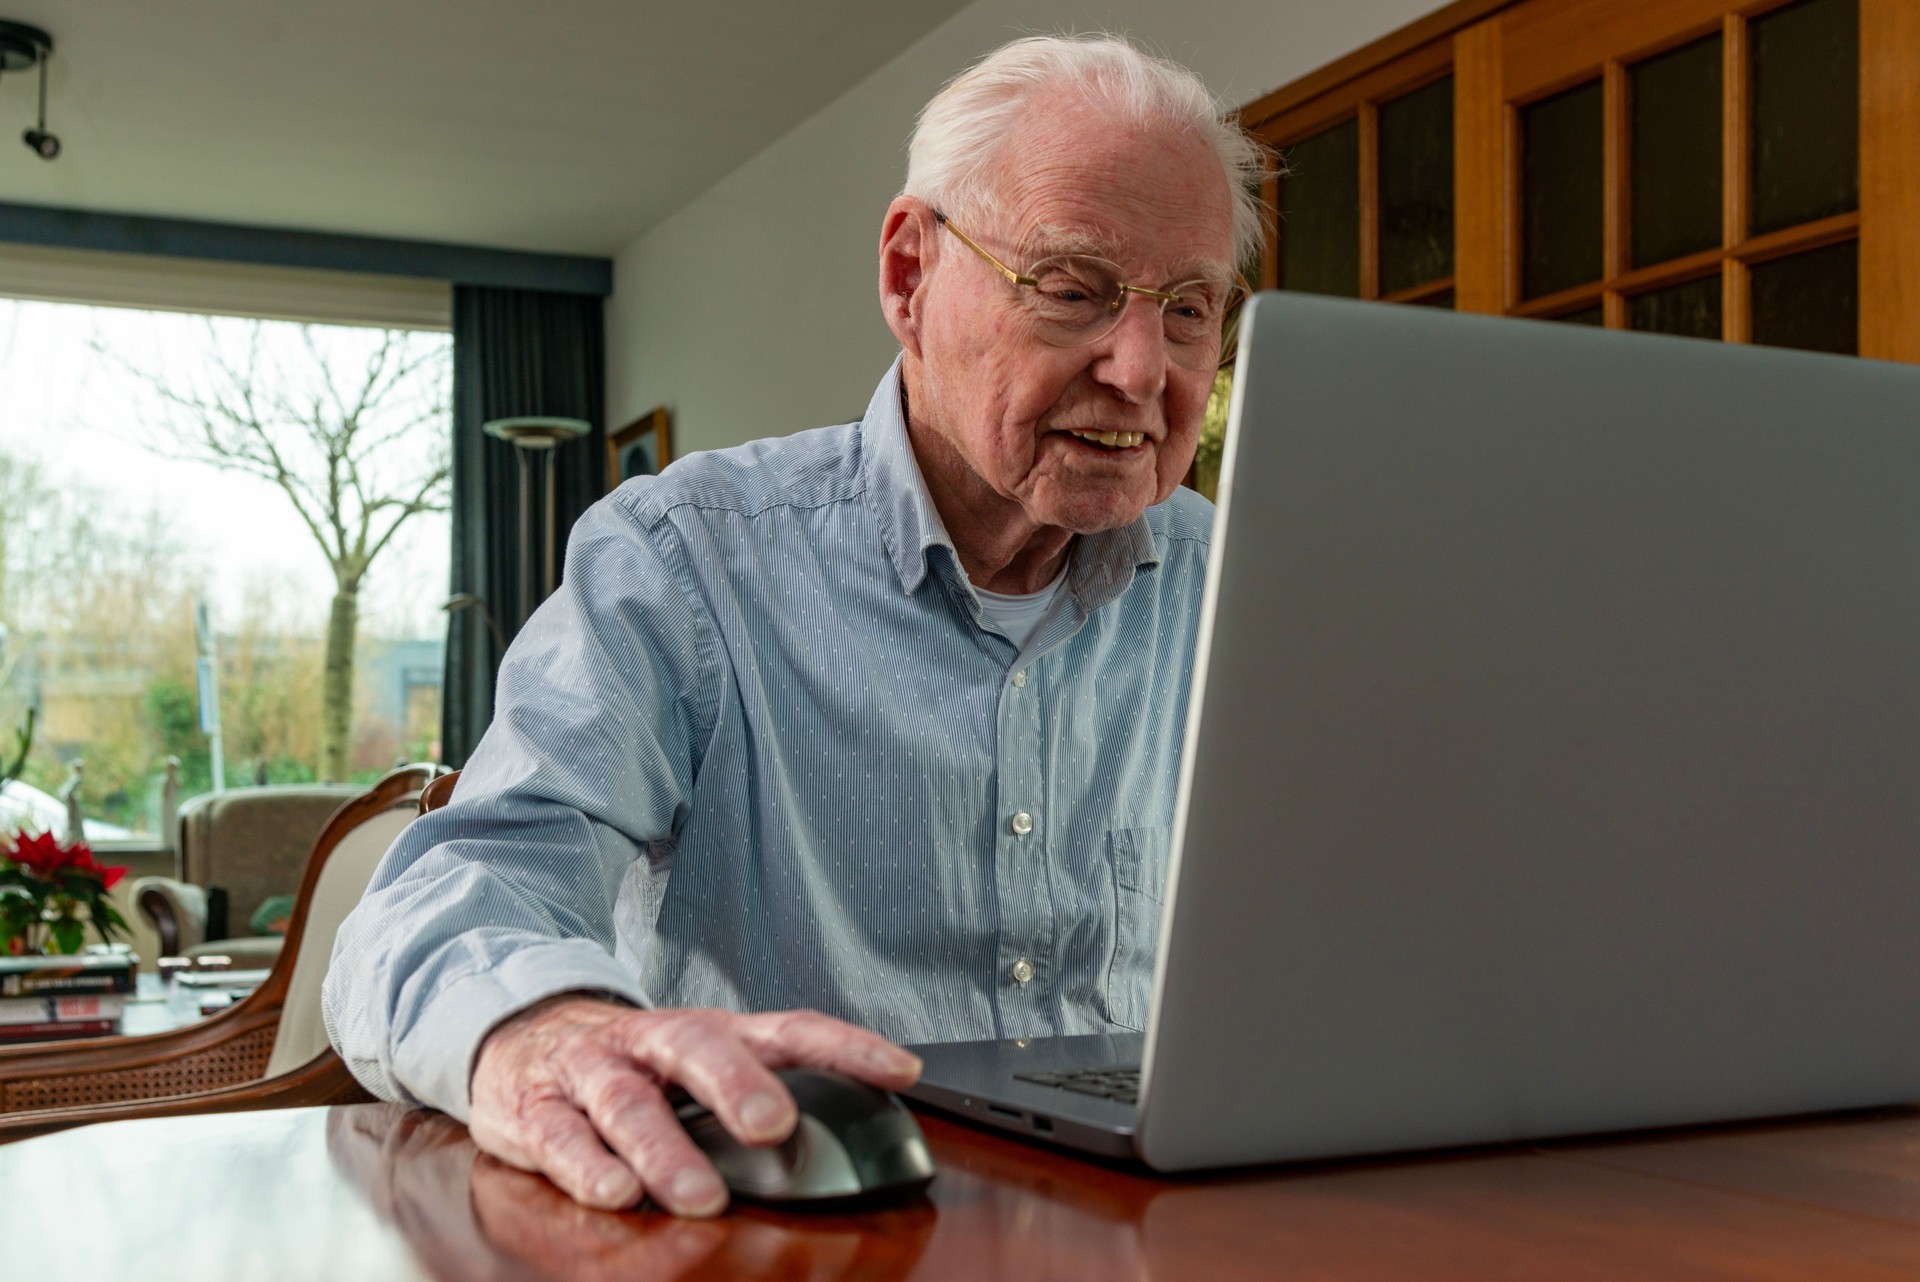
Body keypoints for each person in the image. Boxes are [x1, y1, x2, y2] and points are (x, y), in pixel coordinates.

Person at [324, 33, 1267, 1217]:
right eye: (1074, 289)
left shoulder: (1237, 585)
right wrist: (542, 1030)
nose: (1143, 369)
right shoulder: (682, 560)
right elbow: (447, 896)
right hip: (788, 1238)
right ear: (910, 276)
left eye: (1189, 310)